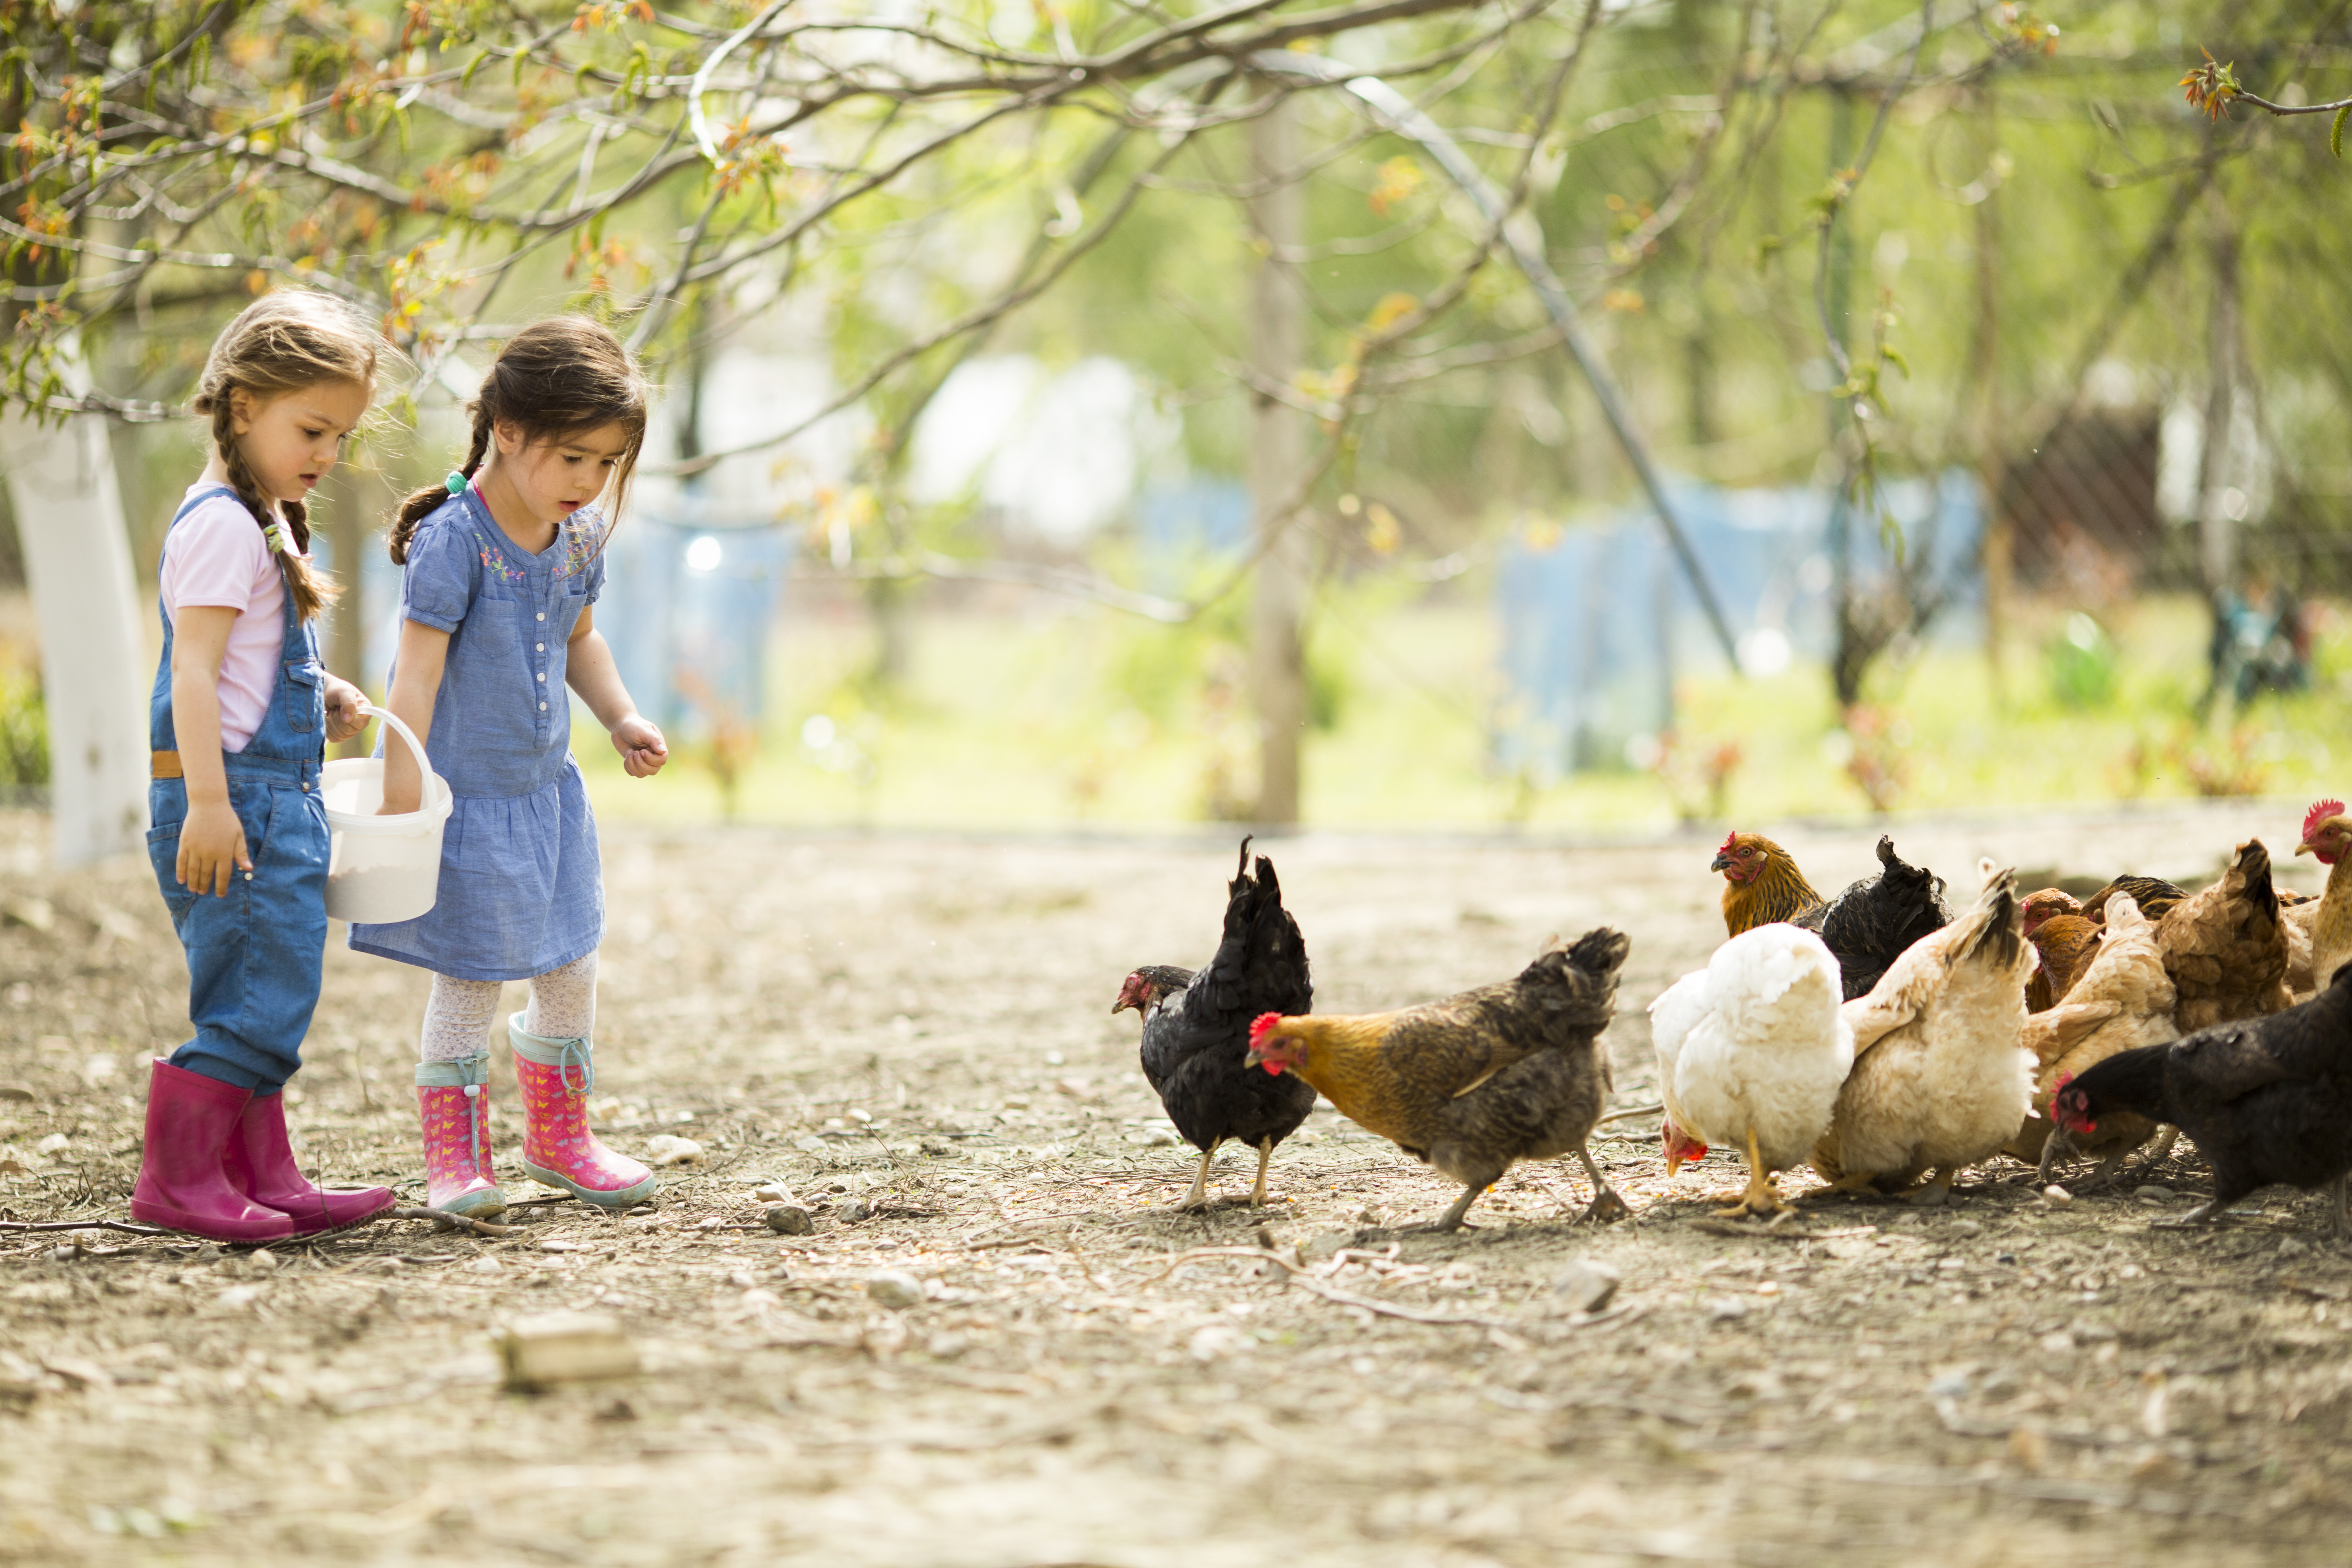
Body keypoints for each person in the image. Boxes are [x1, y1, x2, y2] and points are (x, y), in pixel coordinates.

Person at [352, 316, 669, 1218]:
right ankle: (456, 1159)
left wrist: (620, 715)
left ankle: (560, 1138)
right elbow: (412, 676)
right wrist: (400, 791)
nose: (590, 481)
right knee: (473, 974)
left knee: (572, 960)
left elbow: (583, 641)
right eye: (574, 457)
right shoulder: (456, 541)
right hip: (468, 804)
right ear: (509, 431)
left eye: (607, 463)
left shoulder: (575, 541)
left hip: (547, 801)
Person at [133, 291, 398, 1243]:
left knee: (274, 986)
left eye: (340, 436)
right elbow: (192, 678)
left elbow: (245, 664)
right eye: (312, 429)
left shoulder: (267, 518)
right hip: (233, 800)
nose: (326, 455)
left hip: (272, 797)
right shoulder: (221, 525)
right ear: (243, 406)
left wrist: (314, 690)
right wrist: (208, 802)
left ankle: (260, 1171)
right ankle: (178, 1180)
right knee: (250, 995)